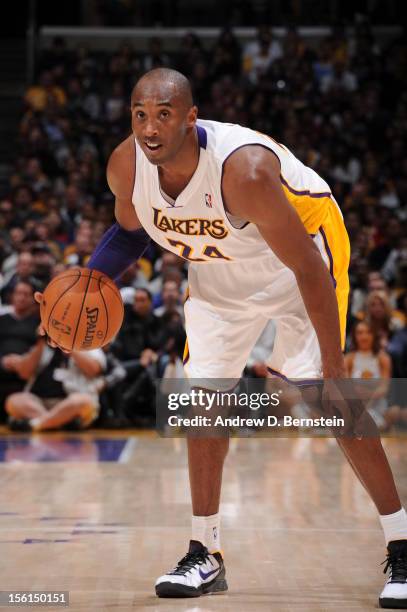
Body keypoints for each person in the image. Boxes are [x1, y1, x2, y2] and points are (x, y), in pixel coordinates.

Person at [37, 68, 407, 608]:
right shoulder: (126, 166)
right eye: (140, 114)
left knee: (331, 401)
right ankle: (204, 553)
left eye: (163, 114)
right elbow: (128, 233)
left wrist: (334, 361)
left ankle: (401, 546)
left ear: (191, 118)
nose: (150, 127)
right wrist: (74, 301)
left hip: (299, 255)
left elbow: (308, 267)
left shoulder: (245, 171)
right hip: (219, 267)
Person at [344, 321, 392, 430]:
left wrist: (369, 394)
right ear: (354, 336)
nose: (364, 336)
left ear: (374, 335)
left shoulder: (383, 358)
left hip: (376, 403)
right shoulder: (348, 359)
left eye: (368, 332)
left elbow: (384, 388)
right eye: (360, 333)